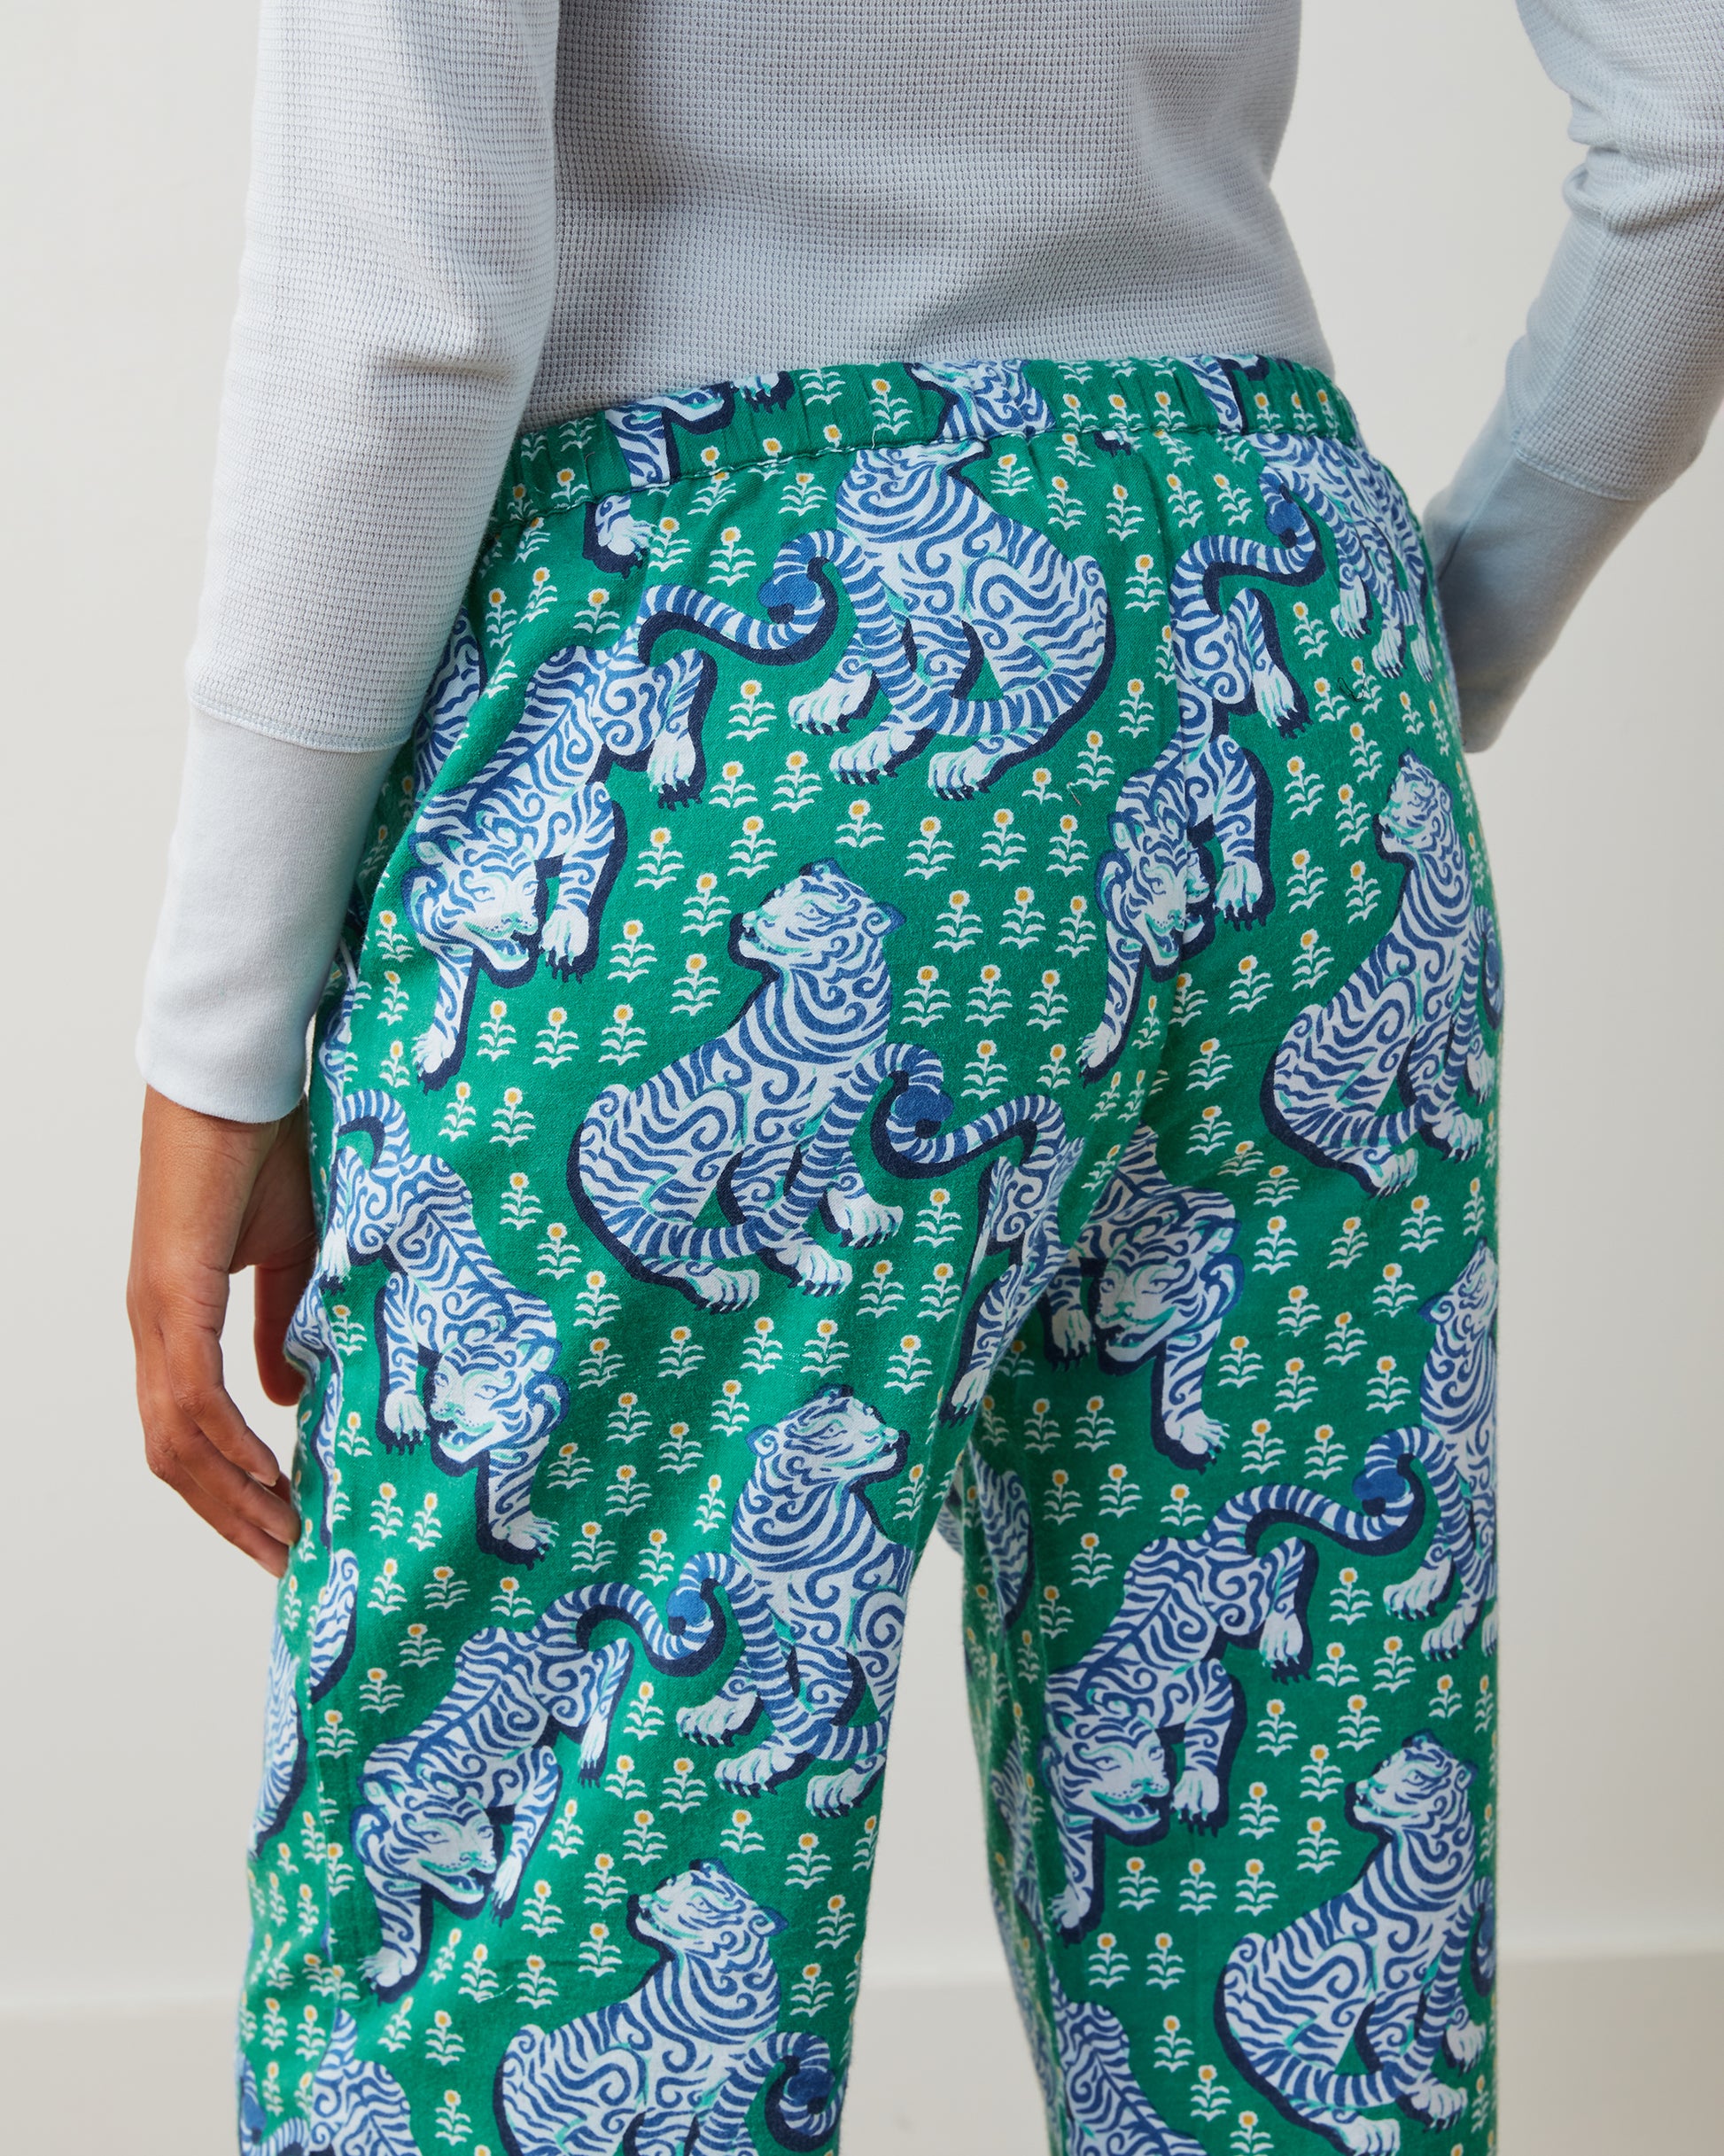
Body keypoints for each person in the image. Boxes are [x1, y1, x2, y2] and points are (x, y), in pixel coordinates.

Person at [127, 6, 1724, 2152]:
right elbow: (1697, 129)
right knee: (1290, 1915)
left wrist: (217, 1035)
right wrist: (1423, 654)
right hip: (1290, 675)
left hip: (744, 677)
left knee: (537, 1945)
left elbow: (405, 307)